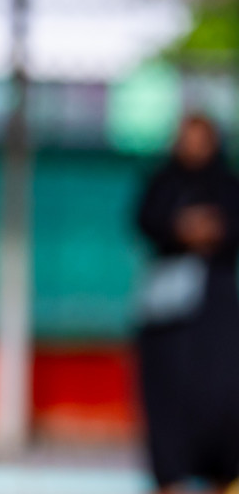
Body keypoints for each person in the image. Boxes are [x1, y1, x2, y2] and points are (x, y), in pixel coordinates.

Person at [134, 114, 239, 493]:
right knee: (168, 405)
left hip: (217, 315)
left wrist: (215, 229)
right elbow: (145, 219)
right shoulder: (163, 183)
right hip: (169, 320)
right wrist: (178, 227)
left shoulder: (227, 185)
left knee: (223, 402)